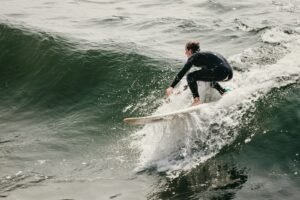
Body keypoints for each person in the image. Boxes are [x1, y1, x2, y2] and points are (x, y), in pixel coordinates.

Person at [166, 41, 233, 106]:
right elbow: (198, 79)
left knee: (190, 76)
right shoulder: (205, 56)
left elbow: (183, 71)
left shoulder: (194, 56)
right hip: (228, 74)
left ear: (189, 50)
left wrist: (171, 86)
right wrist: (183, 90)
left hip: (221, 72)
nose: (185, 53)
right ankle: (223, 92)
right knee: (206, 79)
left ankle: (197, 100)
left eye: (186, 50)